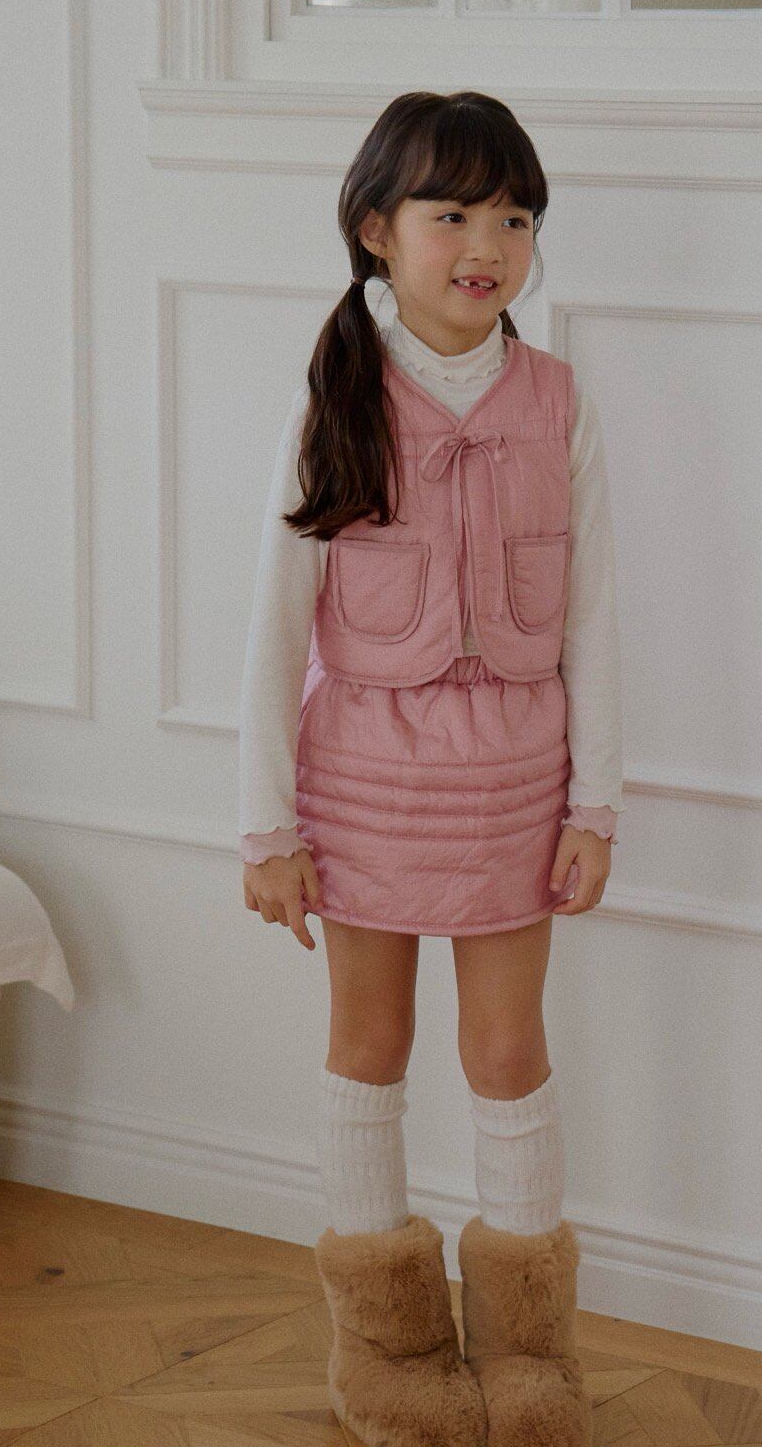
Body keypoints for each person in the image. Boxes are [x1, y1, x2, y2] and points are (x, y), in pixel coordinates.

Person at [238, 89, 622, 1447]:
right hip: (366, 783)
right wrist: (265, 830)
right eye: (451, 213)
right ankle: (391, 1351)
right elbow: (275, 627)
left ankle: (529, 1355)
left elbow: (594, 619)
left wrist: (596, 804)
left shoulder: (558, 400)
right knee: (370, 1045)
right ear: (375, 231)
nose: (486, 245)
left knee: (510, 1051)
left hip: (515, 784)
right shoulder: (338, 395)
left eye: (514, 218)